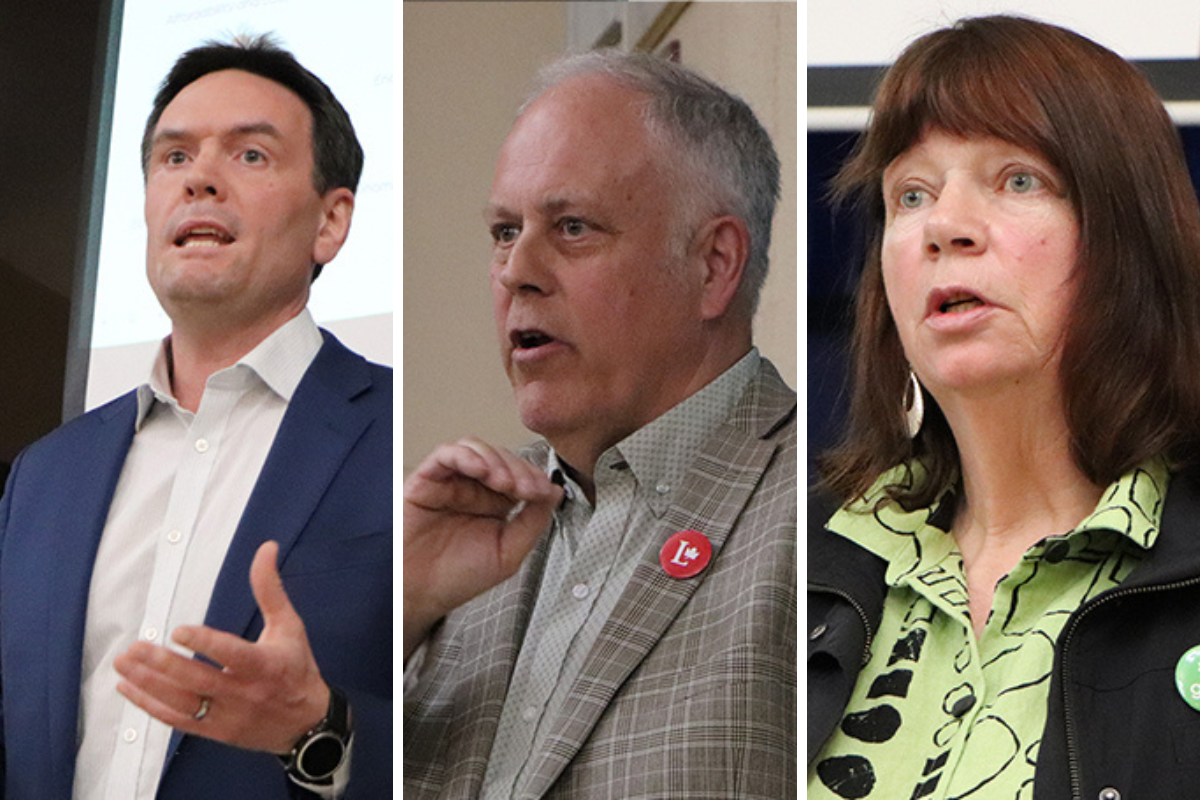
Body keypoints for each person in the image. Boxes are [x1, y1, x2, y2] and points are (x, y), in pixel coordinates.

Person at [809, 14, 1200, 799]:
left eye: (1018, 180)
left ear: (1129, 237)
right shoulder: (809, 555)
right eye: (911, 194)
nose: (944, 226)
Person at [0, 36, 391, 799]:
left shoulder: (395, 436)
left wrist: (322, 731)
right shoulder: (43, 478)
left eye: (250, 155)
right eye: (174, 156)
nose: (199, 178)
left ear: (331, 221)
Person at [403, 50, 795, 798]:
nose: (516, 270)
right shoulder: (463, 528)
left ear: (714, 265)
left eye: (573, 227)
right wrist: (402, 611)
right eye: (504, 231)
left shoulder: (827, 502)